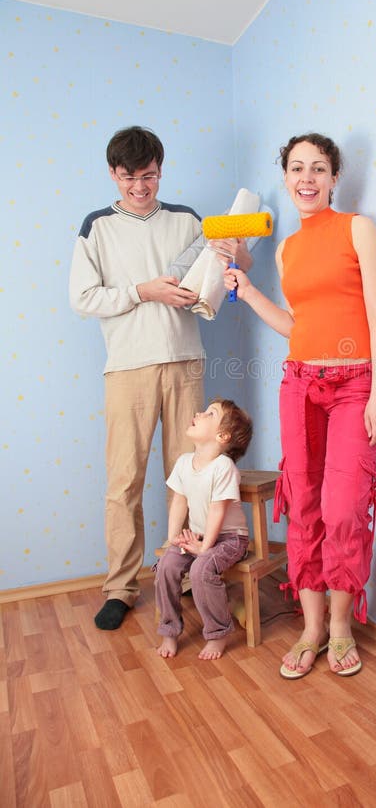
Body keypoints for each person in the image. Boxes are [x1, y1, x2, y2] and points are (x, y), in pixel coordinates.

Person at [224, 132, 376, 679]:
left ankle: (342, 628)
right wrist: (248, 292)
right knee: (305, 506)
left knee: (344, 508)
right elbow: (297, 326)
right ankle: (312, 627)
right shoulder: (286, 248)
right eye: (297, 168)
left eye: (318, 168)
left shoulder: (357, 229)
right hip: (300, 384)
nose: (307, 179)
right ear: (286, 177)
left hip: (353, 386)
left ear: (334, 177)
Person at [69, 125, 252, 630]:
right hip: (127, 366)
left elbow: (213, 277)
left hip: (184, 360)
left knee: (193, 480)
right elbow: (83, 298)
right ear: (113, 174)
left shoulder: (188, 221)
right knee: (123, 481)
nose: (140, 188)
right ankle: (121, 588)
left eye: (148, 176)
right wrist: (144, 290)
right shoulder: (96, 227)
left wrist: (209, 286)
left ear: (160, 171)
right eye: (129, 178)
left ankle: (192, 573)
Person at [155, 399, 253, 659]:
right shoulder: (185, 462)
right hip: (200, 535)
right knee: (167, 565)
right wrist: (172, 541)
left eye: (210, 413)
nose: (199, 412)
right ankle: (169, 629)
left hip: (230, 539)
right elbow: (179, 501)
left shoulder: (224, 467)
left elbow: (218, 510)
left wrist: (204, 548)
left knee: (201, 568)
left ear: (222, 436)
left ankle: (219, 633)